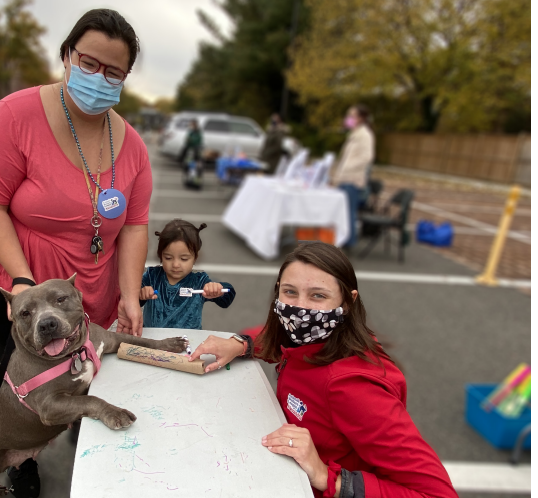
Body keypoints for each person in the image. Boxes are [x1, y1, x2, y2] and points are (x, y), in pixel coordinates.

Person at [0, 9, 150, 497]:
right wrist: (22, 279)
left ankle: (78, 435)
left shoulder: (130, 143)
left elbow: (134, 224)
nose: (100, 78)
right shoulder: (13, 117)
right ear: (68, 55)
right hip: (19, 284)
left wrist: (130, 294)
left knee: (82, 366)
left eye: (114, 72)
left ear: (125, 77)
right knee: (30, 379)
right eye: (89, 63)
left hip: (84, 288)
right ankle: (18, 461)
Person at [189, 242, 458, 498]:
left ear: (348, 302)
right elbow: (283, 341)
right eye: (290, 292)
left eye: (318, 295)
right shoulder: (319, 337)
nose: (300, 308)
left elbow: (437, 493)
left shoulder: (353, 388)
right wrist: (241, 344)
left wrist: (325, 476)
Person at [139, 219, 235, 329]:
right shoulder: (152, 276)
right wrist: (141, 294)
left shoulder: (199, 282)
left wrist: (218, 290)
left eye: (184, 259)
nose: (175, 264)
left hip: (188, 340)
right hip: (153, 340)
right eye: (168, 258)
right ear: (160, 256)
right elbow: (130, 299)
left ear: (195, 258)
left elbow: (227, 298)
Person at [330, 105, 375, 248]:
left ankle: (349, 241)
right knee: (343, 210)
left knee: (349, 211)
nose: (348, 119)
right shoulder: (354, 134)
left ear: (360, 118)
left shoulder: (364, 135)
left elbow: (367, 157)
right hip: (344, 177)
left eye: (351, 116)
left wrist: (348, 168)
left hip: (353, 179)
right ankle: (343, 237)